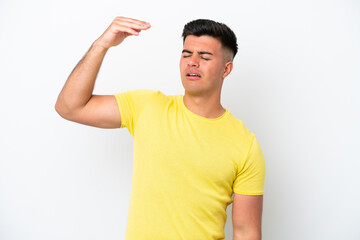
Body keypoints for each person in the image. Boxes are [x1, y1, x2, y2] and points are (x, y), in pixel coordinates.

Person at [55, 16, 266, 240]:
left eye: (204, 56)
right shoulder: (147, 106)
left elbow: (246, 232)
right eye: (186, 54)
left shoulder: (245, 145)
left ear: (226, 69)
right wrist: (101, 45)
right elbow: (69, 107)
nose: (192, 62)